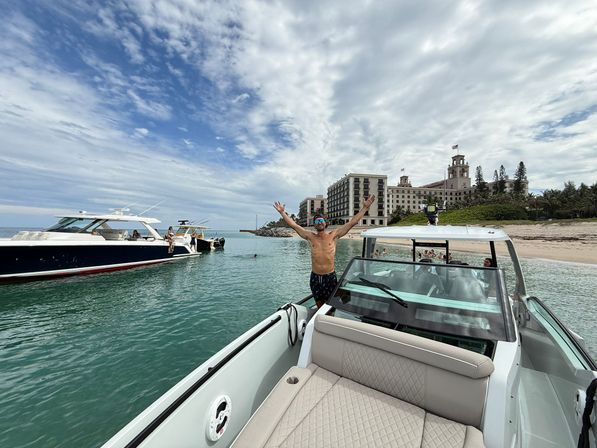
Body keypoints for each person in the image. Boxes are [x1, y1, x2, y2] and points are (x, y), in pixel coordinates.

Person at [274, 195, 376, 308]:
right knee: (319, 305)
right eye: (317, 221)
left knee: (330, 306)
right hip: (315, 278)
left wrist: (365, 208)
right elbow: (294, 225)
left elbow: (352, 222)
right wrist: (282, 213)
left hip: (329, 277)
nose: (319, 222)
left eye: (321, 220)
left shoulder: (334, 236)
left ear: (325, 223)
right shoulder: (310, 237)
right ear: (314, 224)